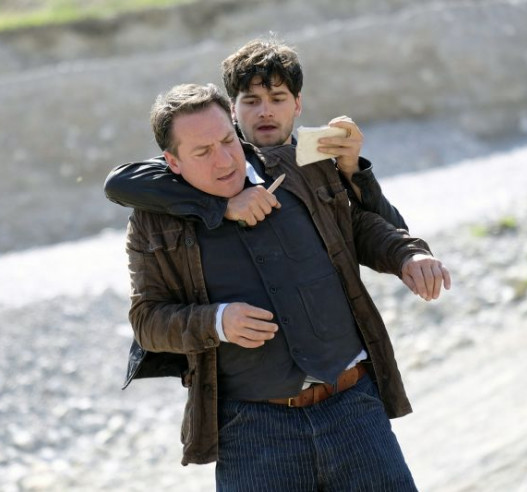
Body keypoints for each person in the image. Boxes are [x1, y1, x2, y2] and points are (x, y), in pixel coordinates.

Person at [117, 82, 450, 490]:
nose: (224, 160)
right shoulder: (151, 223)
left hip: (354, 411)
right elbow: (147, 320)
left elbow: (355, 225)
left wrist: (407, 255)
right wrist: (217, 321)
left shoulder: (295, 166)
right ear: (172, 161)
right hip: (252, 435)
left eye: (227, 141)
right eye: (202, 152)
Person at [105, 37, 408, 239]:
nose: (265, 112)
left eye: (277, 99)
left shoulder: (315, 158)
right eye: (251, 101)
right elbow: (120, 182)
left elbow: (395, 235)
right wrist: (222, 206)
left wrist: (353, 170)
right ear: (232, 110)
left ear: (297, 104)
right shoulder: (218, 155)